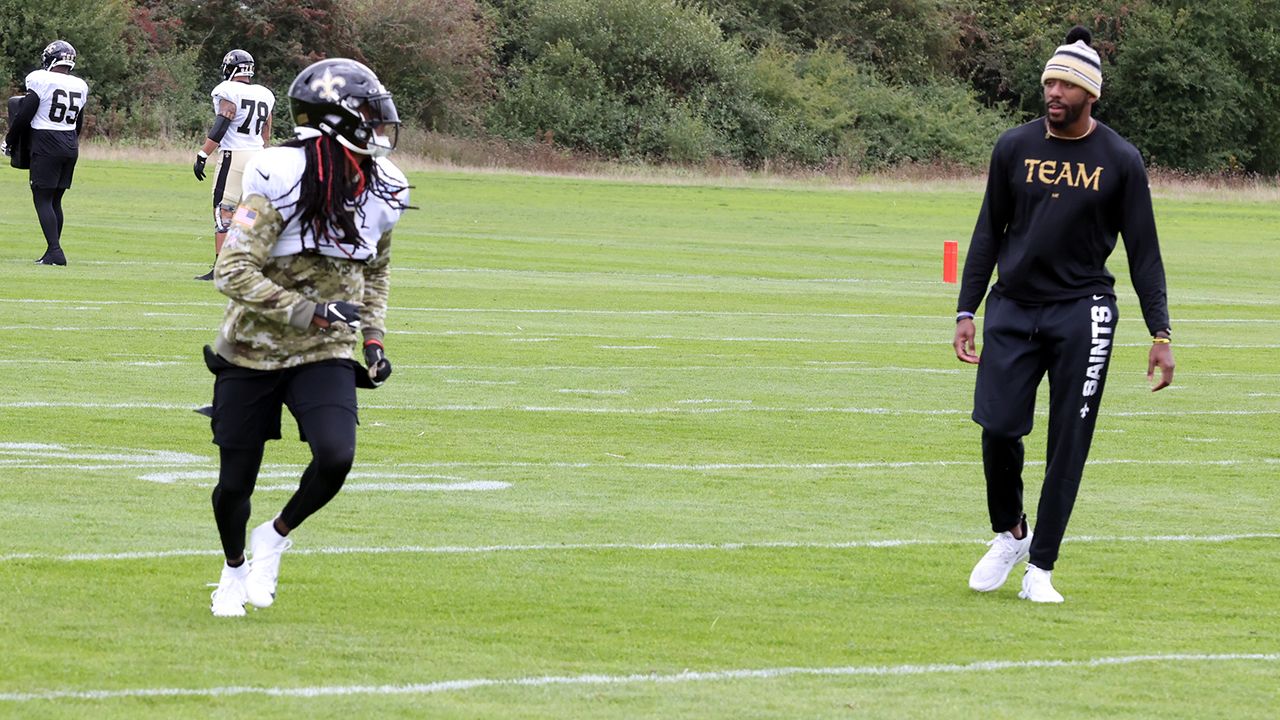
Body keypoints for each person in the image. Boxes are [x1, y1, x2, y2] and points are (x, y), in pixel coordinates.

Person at [952, 26, 1175, 604]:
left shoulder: (1120, 160)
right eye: (1048, 81)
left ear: (1089, 94)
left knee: (1068, 441)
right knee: (998, 427)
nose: (1052, 92)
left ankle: (1041, 568)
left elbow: (1144, 252)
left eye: (1064, 85)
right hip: (1013, 307)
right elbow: (986, 232)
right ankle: (1011, 532)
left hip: (1084, 312)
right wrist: (965, 307)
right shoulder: (1013, 146)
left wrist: (1161, 331)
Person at [205, 58, 410, 617]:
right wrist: (310, 311)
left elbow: (376, 272)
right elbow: (232, 270)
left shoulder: (380, 186)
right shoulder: (282, 175)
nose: (380, 124)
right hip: (254, 347)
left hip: (326, 350)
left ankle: (275, 535)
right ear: (335, 120)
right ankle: (232, 571)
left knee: (337, 454)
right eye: (368, 114)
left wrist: (373, 338)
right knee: (234, 484)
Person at [2, 40, 88, 266]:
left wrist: (9, 140)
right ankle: (52, 251)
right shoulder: (79, 84)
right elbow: (79, 122)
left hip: (47, 141)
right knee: (55, 200)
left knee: (42, 198)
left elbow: (25, 114)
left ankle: (55, 251)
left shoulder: (40, 78)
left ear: (51, 58)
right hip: (70, 143)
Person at [192, 49, 276, 281]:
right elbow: (267, 126)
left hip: (234, 156)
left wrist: (203, 153)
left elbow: (224, 119)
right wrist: (265, 151)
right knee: (246, 211)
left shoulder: (226, 90)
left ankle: (222, 267)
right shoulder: (264, 93)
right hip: (257, 155)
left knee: (223, 209)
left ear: (232, 69)